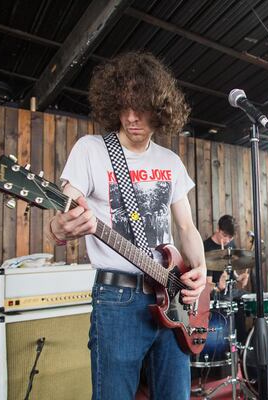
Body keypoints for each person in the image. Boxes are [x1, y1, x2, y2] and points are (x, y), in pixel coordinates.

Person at [47, 51, 207, 400]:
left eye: (143, 106)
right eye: (124, 105)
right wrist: (62, 227)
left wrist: (202, 271)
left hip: (174, 298)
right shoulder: (91, 150)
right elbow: (64, 211)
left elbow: (187, 228)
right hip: (118, 300)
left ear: (160, 107)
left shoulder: (171, 161)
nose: (132, 117)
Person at [203, 215, 249, 293]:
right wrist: (218, 287)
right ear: (218, 228)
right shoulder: (207, 248)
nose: (227, 240)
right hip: (216, 297)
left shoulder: (231, 243)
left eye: (230, 237)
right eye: (224, 235)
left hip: (231, 292)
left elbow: (231, 271)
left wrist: (238, 278)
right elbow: (207, 286)